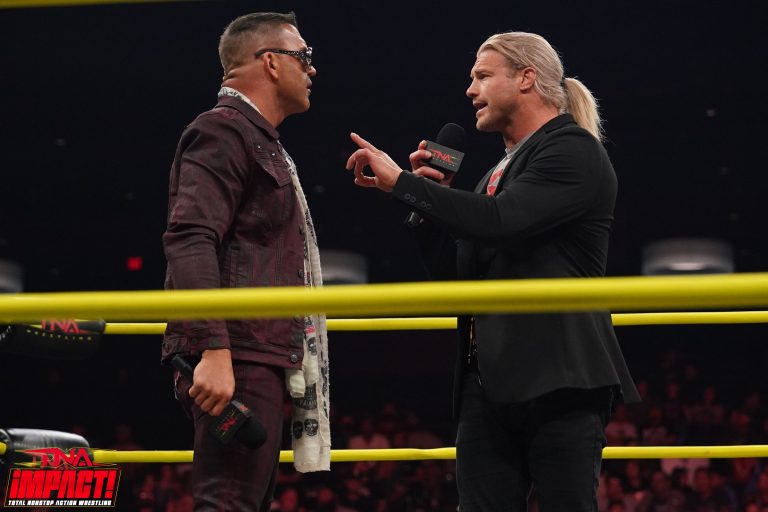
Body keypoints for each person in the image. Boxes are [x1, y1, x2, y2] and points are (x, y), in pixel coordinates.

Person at [345, 31, 639, 511]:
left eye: (482, 76)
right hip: (487, 382)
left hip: (559, 376)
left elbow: (501, 222)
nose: (470, 90)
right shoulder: (497, 173)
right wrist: (428, 203)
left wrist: (402, 183)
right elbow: (457, 276)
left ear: (526, 78)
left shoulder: (573, 149)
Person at [162, 12, 330, 511]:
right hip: (238, 350)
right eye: (304, 57)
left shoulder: (257, 138)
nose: (312, 69)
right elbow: (190, 237)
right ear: (272, 63)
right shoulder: (223, 130)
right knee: (228, 503)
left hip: (255, 349)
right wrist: (214, 350)